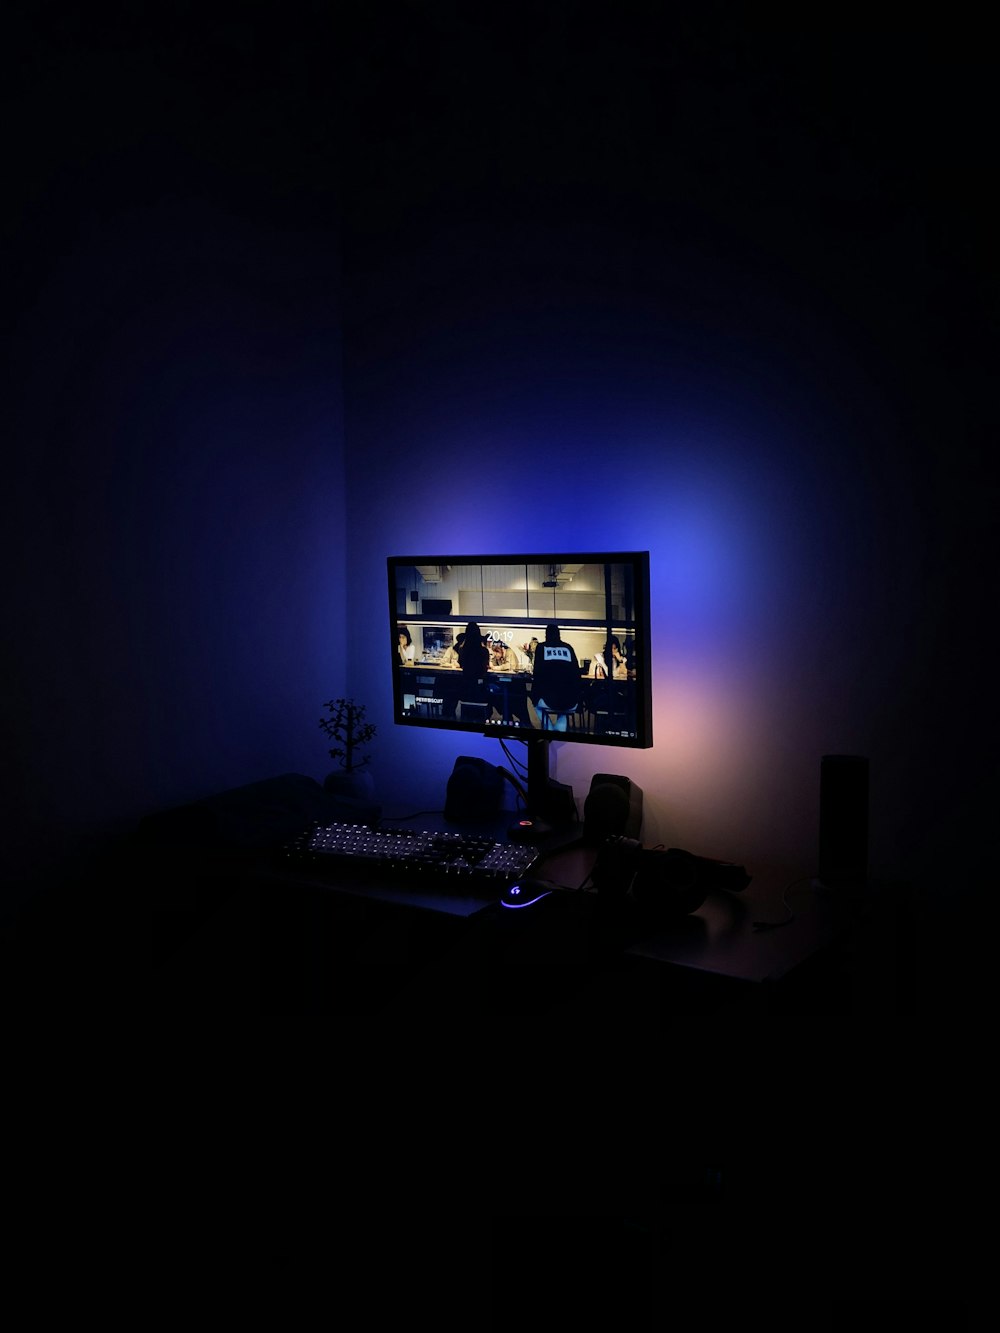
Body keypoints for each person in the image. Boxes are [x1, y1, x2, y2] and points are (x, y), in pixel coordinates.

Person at [530, 623, 582, 731]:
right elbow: (577, 672)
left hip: (548, 699)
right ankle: (558, 734)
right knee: (563, 711)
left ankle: (549, 730)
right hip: (571, 701)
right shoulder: (568, 648)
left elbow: (537, 673)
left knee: (535, 702)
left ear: (546, 635)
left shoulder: (541, 647)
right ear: (559, 634)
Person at [457, 621, 491, 714]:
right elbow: (486, 666)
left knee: (466, 715)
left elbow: (460, 664)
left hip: (466, 687)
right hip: (480, 688)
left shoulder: (462, 650)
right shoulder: (484, 651)